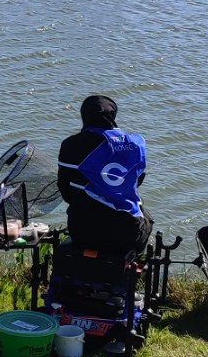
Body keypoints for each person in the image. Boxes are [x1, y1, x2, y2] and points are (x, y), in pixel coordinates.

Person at [56, 95, 152, 256]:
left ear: (84, 116)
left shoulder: (71, 145)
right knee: (146, 217)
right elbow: (135, 183)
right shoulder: (136, 143)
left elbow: (65, 189)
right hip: (127, 234)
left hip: (83, 232)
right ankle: (135, 272)